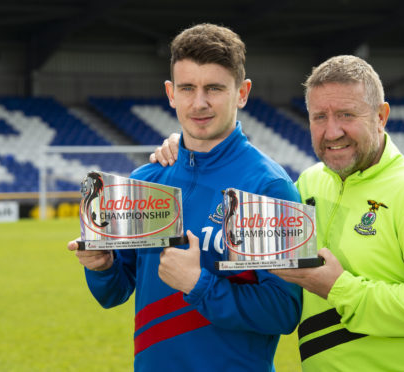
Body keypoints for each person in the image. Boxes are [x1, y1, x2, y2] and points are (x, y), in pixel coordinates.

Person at [150, 55, 404, 371]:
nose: (332, 132)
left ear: (380, 115)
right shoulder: (307, 185)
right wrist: (190, 149)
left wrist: (339, 288)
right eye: (320, 117)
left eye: (347, 115)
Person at [68, 23, 302, 372]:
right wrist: (102, 266)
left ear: (242, 92)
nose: (199, 103)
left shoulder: (268, 187)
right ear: (170, 92)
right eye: (187, 88)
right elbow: (114, 292)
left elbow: (282, 313)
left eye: (215, 88)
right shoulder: (148, 179)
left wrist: (198, 284)